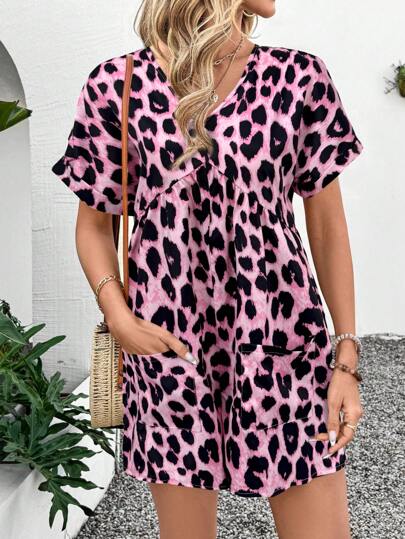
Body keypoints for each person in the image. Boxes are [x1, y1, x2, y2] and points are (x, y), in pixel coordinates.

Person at [51, 1, 365, 537]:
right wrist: (119, 318)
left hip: (282, 340)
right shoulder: (117, 85)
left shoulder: (299, 78)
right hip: (170, 345)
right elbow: (94, 226)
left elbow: (329, 229)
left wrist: (346, 355)